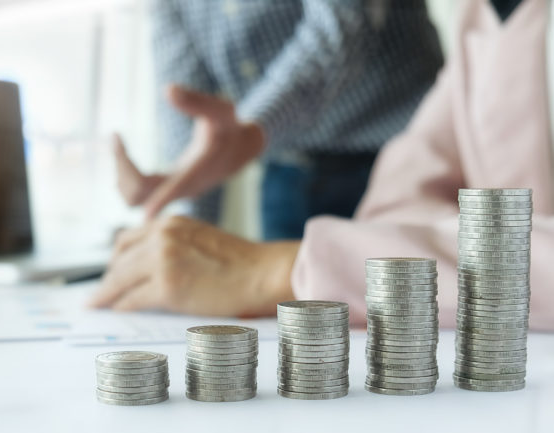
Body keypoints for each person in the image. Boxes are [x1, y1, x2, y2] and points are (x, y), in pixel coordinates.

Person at [92, 0, 554, 332]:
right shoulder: (485, 15)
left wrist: (280, 269)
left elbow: (341, 27)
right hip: (292, 169)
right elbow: (391, 220)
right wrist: (174, 224)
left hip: (369, 139)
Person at [114, 0, 443, 240]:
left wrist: (252, 128)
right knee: (287, 326)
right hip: (288, 177)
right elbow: (187, 108)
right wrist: (180, 211)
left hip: (399, 164)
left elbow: (341, 29)